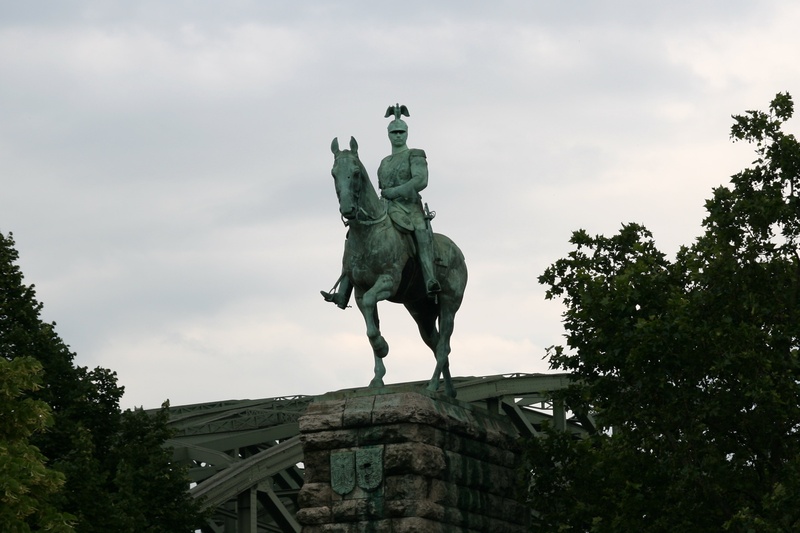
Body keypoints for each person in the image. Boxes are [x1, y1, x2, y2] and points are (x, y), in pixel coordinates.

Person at [321, 104, 441, 309]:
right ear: (388, 135)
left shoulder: (416, 154)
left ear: (407, 133)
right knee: (355, 234)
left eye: (401, 132)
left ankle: (430, 279)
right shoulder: (384, 162)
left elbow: (421, 180)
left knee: (421, 231)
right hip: (385, 207)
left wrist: (396, 191)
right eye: (394, 132)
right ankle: (343, 292)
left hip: (409, 208)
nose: (398, 135)